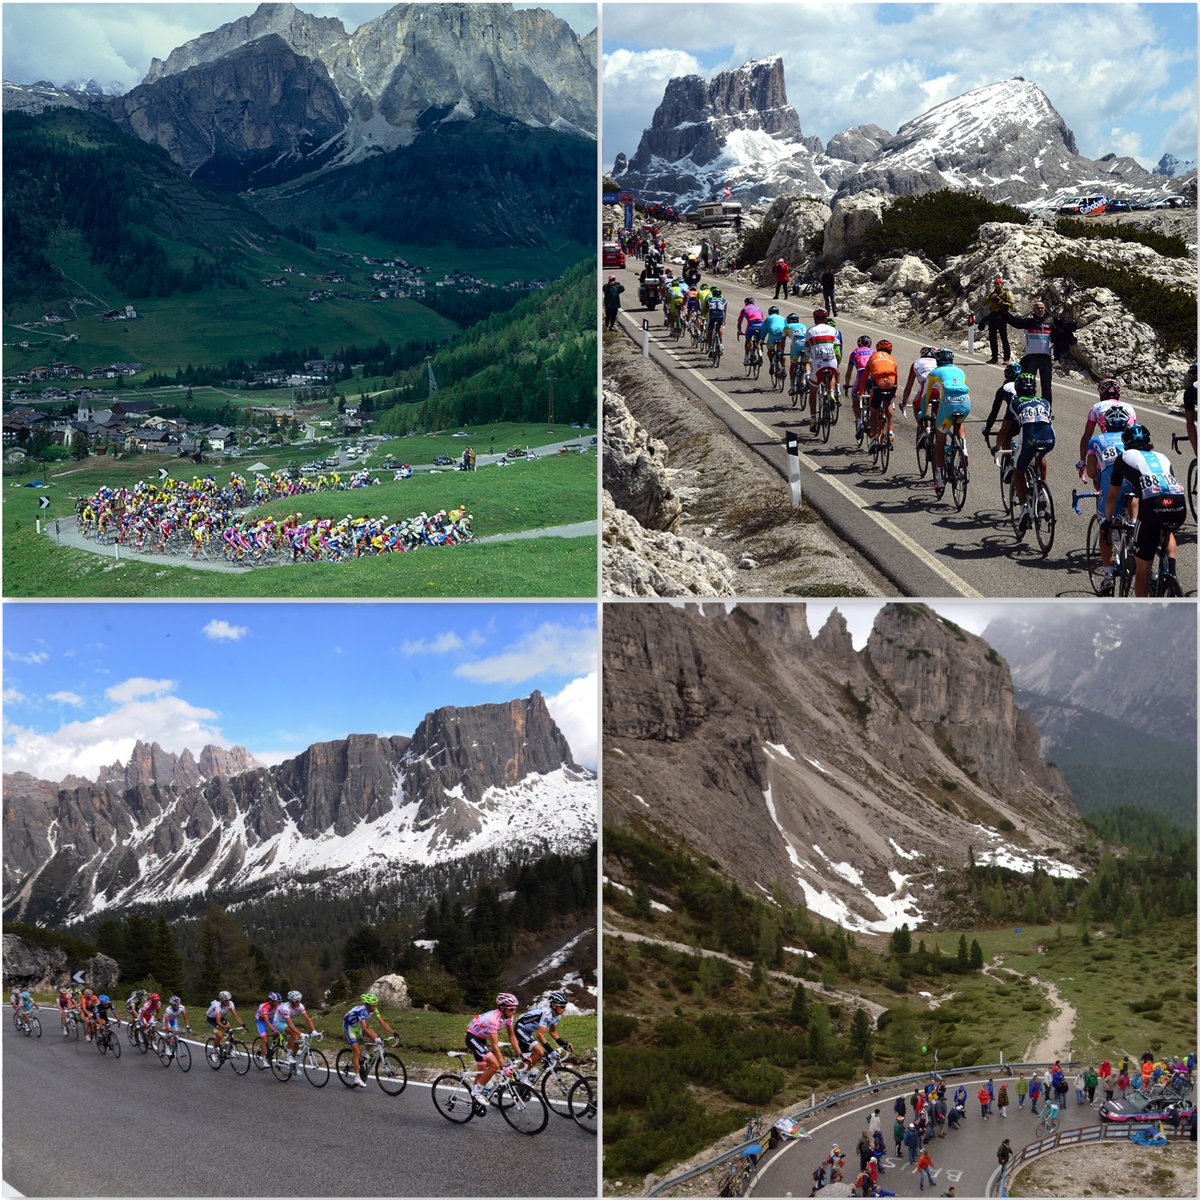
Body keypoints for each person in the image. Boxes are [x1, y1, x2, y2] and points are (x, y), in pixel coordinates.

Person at [1106, 424, 1186, 595]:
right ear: (1149, 442)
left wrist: (1107, 521)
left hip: (1153, 506)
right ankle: (1171, 573)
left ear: (1126, 444)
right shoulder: (1162, 456)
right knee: (1168, 530)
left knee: (1142, 571)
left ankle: (1144, 614)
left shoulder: (1123, 457)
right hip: (1179, 503)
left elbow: (1112, 496)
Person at [999, 372, 1055, 533]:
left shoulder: (1014, 402)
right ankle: (1042, 491)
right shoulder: (1045, 401)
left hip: (1029, 439)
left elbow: (1006, 428)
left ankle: (1024, 506)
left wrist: (999, 446)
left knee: (1019, 469)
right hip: (1050, 438)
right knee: (1041, 455)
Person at [922, 348, 971, 499]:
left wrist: (923, 414)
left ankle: (939, 478)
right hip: (965, 404)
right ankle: (963, 449)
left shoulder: (934, 374)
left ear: (938, 361)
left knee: (940, 440)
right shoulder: (961, 371)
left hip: (947, 405)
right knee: (959, 424)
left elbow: (925, 397)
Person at [466, 991, 521, 1112]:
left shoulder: (508, 1017)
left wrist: (520, 1054)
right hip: (473, 1038)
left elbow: (512, 1036)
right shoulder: (493, 1020)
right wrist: (503, 1067)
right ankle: (477, 1092)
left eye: (515, 1009)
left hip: (481, 1039)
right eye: (511, 1009)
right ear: (502, 1008)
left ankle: (473, 1098)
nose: (513, 1012)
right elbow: (494, 1047)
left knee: (481, 1073)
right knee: (495, 1065)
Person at [1005, 298, 1055, 405]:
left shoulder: (1051, 323)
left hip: (1046, 358)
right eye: (1038, 308)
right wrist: (1004, 312)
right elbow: (1015, 322)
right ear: (1033, 310)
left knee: (1046, 386)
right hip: (1032, 357)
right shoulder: (1029, 322)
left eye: (1042, 308)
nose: (1040, 310)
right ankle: (1024, 406)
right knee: (1026, 383)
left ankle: (1047, 409)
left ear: (1045, 310)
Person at [343, 992, 396, 1088]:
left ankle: (364, 1054)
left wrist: (394, 1033)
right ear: (367, 1005)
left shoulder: (374, 1010)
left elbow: (382, 1023)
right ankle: (357, 1077)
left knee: (374, 1035)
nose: (375, 1007)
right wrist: (376, 1039)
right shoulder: (361, 1011)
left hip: (357, 1026)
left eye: (376, 1005)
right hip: (349, 1027)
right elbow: (364, 1028)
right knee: (356, 1051)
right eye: (373, 1005)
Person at [514, 990, 572, 1078]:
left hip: (528, 1031)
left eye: (565, 1006)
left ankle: (518, 1081)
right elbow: (540, 1035)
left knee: (528, 1057)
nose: (564, 1009)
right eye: (562, 1006)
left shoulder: (557, 1016)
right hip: (520, 1027)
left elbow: (552, 1032)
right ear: (554, 1005)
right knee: (539, 1052)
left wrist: (563, 1044)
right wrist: (550, 1050)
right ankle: (522, 1077)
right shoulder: (546, 1013)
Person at [805, 308, 840, 434]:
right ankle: (831, 393)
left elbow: (807, 350)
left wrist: (810, 356)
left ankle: (813, 420)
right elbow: (836, 344)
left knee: (813, 391)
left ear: (814, 319)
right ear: (826, 319)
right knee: (831, 376)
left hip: (818, 363)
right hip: (831, 361)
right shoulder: (832, 329)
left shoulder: (810, 331)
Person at [273, 989, 318, 1064]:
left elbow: (307, 1019)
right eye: (296, 1001)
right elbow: (290, 1025)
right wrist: (301, 1033)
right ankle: (287, 1054)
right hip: (278, 1022)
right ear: (291, 1001)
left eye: (299, 1000)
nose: (298, 1002)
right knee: (293, 1033)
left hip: (286, 1022)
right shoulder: (285, 1008)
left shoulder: (300, 1006)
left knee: (296, 1040)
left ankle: (293, 1058)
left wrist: (314, 1031)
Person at [844, 335, 874, 438]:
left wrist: (846, 384)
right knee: (872, 398)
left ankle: (859, 421)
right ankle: (871, 420)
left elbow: (848, 372)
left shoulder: (854, 352)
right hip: (874, 375)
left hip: (862, 375)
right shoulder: (874, 352)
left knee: (855, 398)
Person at [981, 276, 1014, 362]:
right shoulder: (992, 294)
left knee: (1004, 338)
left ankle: (1006, 358)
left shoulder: (1006, 293)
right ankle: (994, 357)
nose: (997, 285)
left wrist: (1002, 302)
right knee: (992, 338)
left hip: (1002, 318)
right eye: (995, 284)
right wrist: (991, 297)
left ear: (1001, 284)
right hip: (993, 318)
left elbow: (1011, 304)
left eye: (998, 284)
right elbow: (984, 302)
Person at [737, 297, 765, 365]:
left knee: (748, 341)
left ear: (746, 303)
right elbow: (762, 319)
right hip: (761, 324)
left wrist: (739, 331)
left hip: (751, 324)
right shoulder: (758, 308)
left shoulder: (744, 309)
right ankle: (760, 353)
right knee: (759, 342)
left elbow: (739, 322)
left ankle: (746, 358)